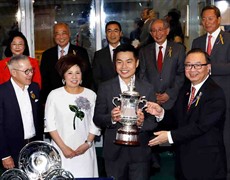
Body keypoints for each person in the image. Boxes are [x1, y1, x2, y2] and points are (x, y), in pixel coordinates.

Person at [146, 48, 227, 179]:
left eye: (198, 65)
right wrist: (160, 113)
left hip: (206, 164)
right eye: (188, 65)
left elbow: (201, 126)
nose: (192, 69)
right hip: (184, 161)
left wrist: (170, 136)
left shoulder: (215, 93)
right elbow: (176, 118)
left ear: (208, 67)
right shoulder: (185, 89)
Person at [93, 44, 163, 180]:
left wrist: (142, 123)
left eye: (129, 61)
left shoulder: (147, 88)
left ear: (136, 63)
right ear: (115, 64)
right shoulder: (105, 87)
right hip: (113, 152)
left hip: (140, 153)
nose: (124, 66)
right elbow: (97, 118)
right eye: (119, 62)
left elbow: (153, 122)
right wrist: (112, 118)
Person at [44, 54, 100, 178]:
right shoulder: (54, 95)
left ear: (82, 76)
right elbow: (50, 125)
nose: (74, 77)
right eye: (69, 73)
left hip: (85, 149)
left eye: (77, 73)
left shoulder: (91, 95)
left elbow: (95, 122)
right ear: (63, 75)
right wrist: (64, 148)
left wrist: (87, 144)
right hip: (60, 149)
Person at [191, 5, 230, 178]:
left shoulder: (228, 39)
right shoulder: (197, 42)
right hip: (202, 97)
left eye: (211, 18)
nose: (207, 22)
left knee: (226, 136)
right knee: (204, 135)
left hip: (225, 96)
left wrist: (209, 68)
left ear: (219, 20)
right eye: (204, 19)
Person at [0, 55, 42, 170]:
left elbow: (38, 118)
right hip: (12, 150)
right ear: (13, 72)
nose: (30, 74)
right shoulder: (2, 92)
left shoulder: (34, 88)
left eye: (31, 70)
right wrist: (5, 155)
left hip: (34, 147)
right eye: (26, 71)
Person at [40, 22, 92, 105]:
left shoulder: (81, 52)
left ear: (69, 34)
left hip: (76, 97)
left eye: (64, 33)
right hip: (55, 99)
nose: (61, 37)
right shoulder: (47, 55)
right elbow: (44, 80)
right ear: (54, 36)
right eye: (57, 34)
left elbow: (87, 76)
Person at [139, 18, 185, 111]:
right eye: (154, 31)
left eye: (160, 30)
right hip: (151, 101)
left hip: (173, 100)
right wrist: (152, 94)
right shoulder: (144, 51)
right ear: (151, 34)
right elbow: (142, 75)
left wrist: (169, 93)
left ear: (167, 31)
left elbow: (181, 74)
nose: (157, 33)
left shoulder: (178, 49)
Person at [92, 21, 123, 91]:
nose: (112, 34)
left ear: (120, 33)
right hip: (106, 94)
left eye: (115, 31)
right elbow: (96, 79)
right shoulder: (99, 55)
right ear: (106, 34)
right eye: (109, 31)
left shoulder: (129, 51)